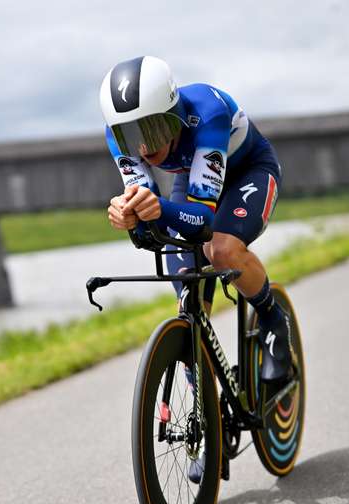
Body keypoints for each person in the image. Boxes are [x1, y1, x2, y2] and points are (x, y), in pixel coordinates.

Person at [99, 56, 293, 385]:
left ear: (174, 115)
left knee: (221, 250)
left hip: (248, 171)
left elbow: (203, 219)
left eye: (153, 128)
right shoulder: (117, 137)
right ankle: (208, 400)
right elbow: (152, 222)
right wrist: (129, 215)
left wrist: (156, 206)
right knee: (188, 289)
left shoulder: (207, 112)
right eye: (132, 135)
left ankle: (274, 319)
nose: (143, 147)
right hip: (192, 178)